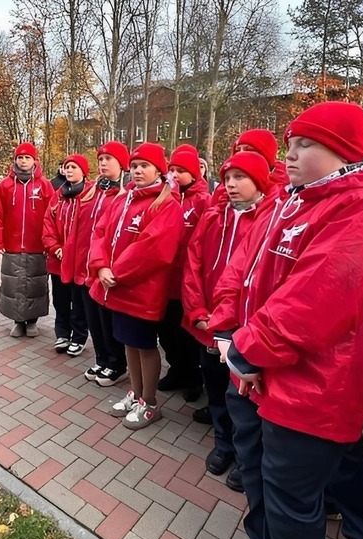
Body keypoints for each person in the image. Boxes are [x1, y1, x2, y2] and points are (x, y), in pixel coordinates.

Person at [211, 101, 363, 539]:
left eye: (306, 145)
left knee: (293, 500)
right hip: (261, 370)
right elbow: (247, 272)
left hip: (315, 385)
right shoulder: (295, 202)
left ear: (346, 152)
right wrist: (230, 332)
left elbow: (319, 298)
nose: (289, 156)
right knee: (259, 480)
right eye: (289, 145)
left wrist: (248, 350)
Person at [182, 150, 277, 486]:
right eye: (227, 178)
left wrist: (230, 323)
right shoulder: (215, 215)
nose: (232, 185)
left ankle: (246, 454)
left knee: (245, 398)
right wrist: (197, 311)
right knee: (216, 387)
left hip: (242, 326)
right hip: (207, 322)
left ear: (260, 181)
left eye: (241, 178)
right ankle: (223, 444)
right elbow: (193, 262)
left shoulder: (271, 219)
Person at [89, 142, 184, 430]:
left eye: (145, 165)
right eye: (135, 165)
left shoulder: (167, 204)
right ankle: (137, 392)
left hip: (141, 290)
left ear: (158, 169)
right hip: (116, 285)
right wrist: (100, 264)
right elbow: (101, 231)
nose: (138, 170)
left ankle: (150, 401)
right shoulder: (124, 198)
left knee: (144, 345)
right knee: (128, 342)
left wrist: (115, 271)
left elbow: (154, 249)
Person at [156, 144, 210, 402]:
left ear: (194, 174)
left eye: (181, 171)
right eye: (172, 170)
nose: (175, 175)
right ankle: (176, 369)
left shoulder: (202, 201)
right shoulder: (166, 197)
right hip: (165, 280)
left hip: (187, 283)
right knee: (166, 332)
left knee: (186, 335)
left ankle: (192, 377)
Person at [0, 142, 54, 337]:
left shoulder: (44, 185)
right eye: (20, 158)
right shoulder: (6, 185)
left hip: (37, 245)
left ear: (34, 160)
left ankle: (32, 321)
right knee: (14, 285)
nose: (23, 161)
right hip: (12, 245)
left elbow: (51, 215)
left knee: (35, 284)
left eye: (27, 158)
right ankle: (18, 321)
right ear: (15, 160)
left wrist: (48, 242)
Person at [80, 142, 129, 386]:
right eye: (100, 159)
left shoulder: (126, 193)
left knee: (108, 318)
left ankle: (116, 363)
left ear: (122, 163)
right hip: (87, 265)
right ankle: (102, 358)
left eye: (109, 159)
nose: (103, 163)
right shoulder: (93, 190)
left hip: (108, 268)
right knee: (93, 318)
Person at [42, 154, 90, 356]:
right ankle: (62, 333)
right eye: (66, 167)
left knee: (78, 301)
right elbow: (48, 225)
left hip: (79, 261)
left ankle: (79, 337)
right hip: (58, 260)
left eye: (73, 167)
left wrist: (72, 250)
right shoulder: (58, 195)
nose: (68, 170)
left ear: (83, 171)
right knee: (60, 299)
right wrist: (56, 247)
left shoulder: (90, 196)